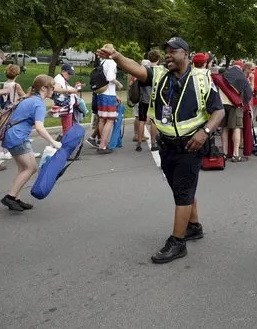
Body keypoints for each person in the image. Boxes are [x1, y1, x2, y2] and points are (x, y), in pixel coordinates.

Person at [96, 37, 224, 264]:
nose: (168, 55)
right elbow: (136, 68)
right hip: (167, 145)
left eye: (173, 51)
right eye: (166, 51)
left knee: (183, 192)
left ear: (186, 53)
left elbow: (218, 112)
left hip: (190, 145)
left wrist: (205, 131)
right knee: (180, 189)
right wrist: (117, 57)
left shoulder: (202, 78)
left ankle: (178, 242)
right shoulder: (159, 76)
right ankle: (193, 226)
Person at [0, 75, 62, 211]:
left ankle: (16, 198)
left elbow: (27, 117)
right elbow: (39, 128)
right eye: (52, 87)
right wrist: (54, 142)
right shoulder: (38, 103)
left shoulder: (30, 99)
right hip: (19, 137)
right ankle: (10, 197)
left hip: (12, 135)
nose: (53, 90)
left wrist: (46, 114)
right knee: (31, 168)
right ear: (44, 88)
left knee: (23, 169)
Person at [96, 44, 120, 154]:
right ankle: (103, 145)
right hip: (109, 94)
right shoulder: (111, 62)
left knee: (102, 119)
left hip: (100, 93)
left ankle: (102, 141)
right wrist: (118, 84)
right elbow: (110, 77)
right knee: (110, 120)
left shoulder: (102, 62)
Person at [53, 63, 78, 137]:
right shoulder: (59, 78)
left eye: (71, 74)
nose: (70, 75)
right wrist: (70, 91)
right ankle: (65, 145)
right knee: (67, 130)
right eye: (69, 73)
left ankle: (64, 142)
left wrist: (74, 88)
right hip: (64, 107)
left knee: (69, 129)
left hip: (67, 107)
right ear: (63, 71)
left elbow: (64, 89)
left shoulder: (63, 79)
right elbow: (56, 89)